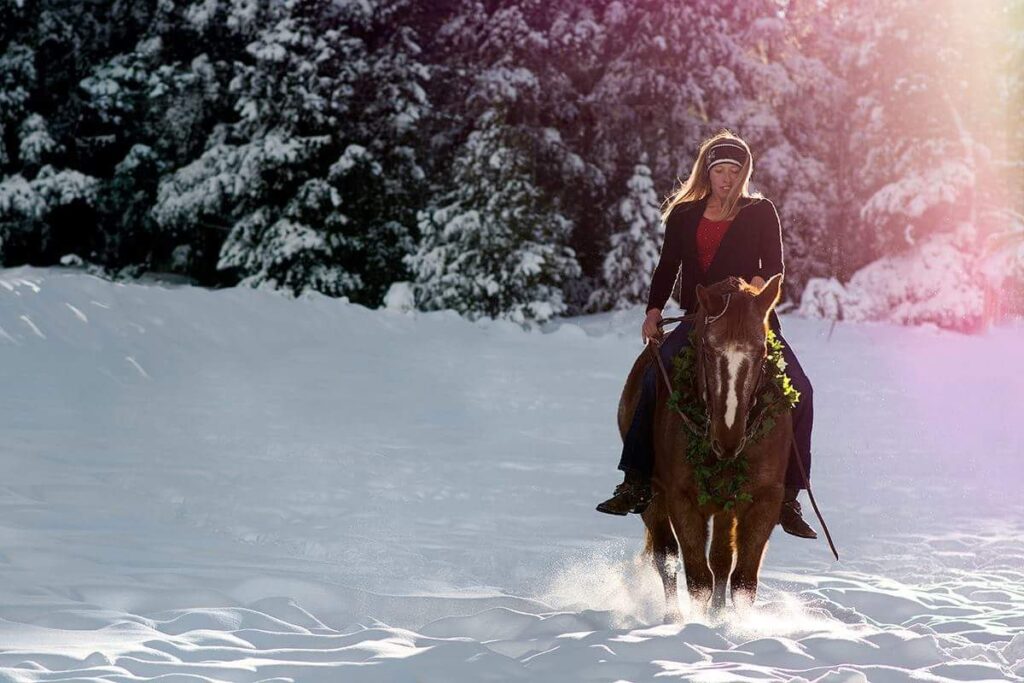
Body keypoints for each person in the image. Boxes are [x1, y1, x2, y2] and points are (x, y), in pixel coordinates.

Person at [595, 131, 817, 539]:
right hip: (701, 318)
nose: (727, 179)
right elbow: (668, 266)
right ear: (707, 172)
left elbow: (774, 266)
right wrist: (653, 310)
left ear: (744, 173)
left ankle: (788, 495)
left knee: (801, 390)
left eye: (735, 171)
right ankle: (636, 480)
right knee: (652, 377)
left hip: (750, 320)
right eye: (720, 171)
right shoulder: (684, 215)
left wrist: (749, 294)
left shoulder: (760, 211)